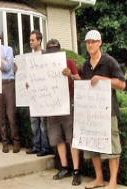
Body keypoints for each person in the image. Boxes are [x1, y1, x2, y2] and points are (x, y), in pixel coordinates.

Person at [81, 30, 125, 189]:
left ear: (100, 43)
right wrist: (72, 77)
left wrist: (102, 79)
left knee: (112, 147)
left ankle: (112, 182)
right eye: (87, 42)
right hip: (92, 114)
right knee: (93, 146)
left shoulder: (110, 61)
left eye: (93, 41)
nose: (90, 44)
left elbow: (122, 84)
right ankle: (99, 179)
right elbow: (84, 86)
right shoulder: (85, 65)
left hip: (109, 112)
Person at [45, 39, 81, 186]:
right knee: (58, 138)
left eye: (55, 49)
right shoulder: (44, 65)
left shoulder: (69, 62)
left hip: (67, 103)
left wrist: (70, 75)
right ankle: (65, 167)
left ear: (60, 50)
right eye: (50, 50)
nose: (53, 52)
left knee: (71, 137)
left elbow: (79, 78)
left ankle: (77, 170)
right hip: (52, 106)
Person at [0, 31, 20, 153]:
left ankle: (16, 141)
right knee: (0, 116)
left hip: (8, 83)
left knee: (11, 114)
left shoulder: (8, 50)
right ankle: (5, 143)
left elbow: (8, 67)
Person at [26, 30, 50, 156]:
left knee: (43, 123)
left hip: (44, 94)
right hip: (33, 95)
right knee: (34, 122)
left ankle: (45, 149)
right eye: (30, 40)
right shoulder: (29, 57)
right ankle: (36, 146)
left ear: (39, 41)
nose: (30, 42)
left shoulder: (46, 55)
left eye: (32, 40)